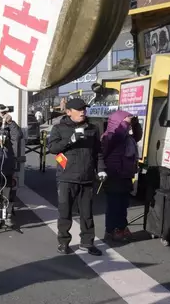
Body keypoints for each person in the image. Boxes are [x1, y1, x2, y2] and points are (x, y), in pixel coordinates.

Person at [47, 98, 106, 256]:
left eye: (84, 109)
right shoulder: (59, 128)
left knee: (87, 214)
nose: (83, 112)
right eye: (79, 109)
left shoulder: (92, 128)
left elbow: (98, 152)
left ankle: (87, 243)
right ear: (68, 112)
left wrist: (100, 169)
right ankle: (64, 243)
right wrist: (71, 140)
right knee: (65, 212)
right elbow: (52, 148)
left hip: (86, 178)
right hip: (66, 178)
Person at [101, 110, 142, 242]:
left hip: (125, 174)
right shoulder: (109, 136)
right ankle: (110, 230)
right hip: (114, 174)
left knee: (123, 204)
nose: (128, 123)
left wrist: (135, 125)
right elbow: (118, 134)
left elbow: (138, 136)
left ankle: (121, 228)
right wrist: (125, 122)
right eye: (126, 120)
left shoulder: (128, 137)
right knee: (114, 204)